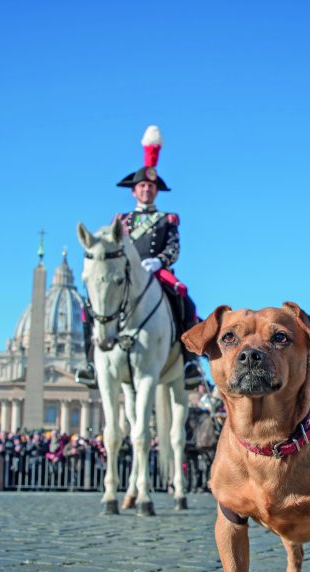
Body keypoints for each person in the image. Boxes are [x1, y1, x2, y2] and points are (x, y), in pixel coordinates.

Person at [76, 125, 204, 390]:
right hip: (127, 273)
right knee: (91, 308)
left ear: (156, 191)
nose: (146, 190)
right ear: (133, 191)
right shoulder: (120, 221)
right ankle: (90, 362)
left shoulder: (167, 219)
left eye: (151, 186)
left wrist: (159, 262)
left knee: (185, 303)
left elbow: (174, 248)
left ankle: (189, 361)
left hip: (157, 272)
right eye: (142, 186)